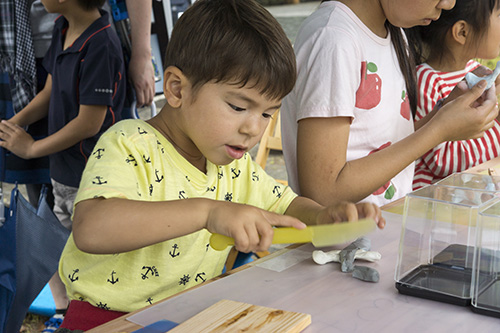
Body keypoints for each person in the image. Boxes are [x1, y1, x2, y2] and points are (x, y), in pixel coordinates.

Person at [53, 0, 385, 330]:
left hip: (192, 314)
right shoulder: (130, 143)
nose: (254, 128)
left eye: (267, 113)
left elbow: (285, 205)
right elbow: (91, 228)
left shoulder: (233, 165)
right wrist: (208, 213)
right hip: (107, 322)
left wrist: (324, 218)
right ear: (177, 89)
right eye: (239, 107)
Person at [280, 0, 500, 208]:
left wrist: (446, 110)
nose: (448, 4)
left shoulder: (395, 36)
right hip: (340, 246)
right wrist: (438, 130)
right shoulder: (334, 40)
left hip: (385, 236)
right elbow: (324, 193)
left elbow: (387, 145)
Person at [0, 0, 127, 330]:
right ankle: (72, 313)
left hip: (93, 178)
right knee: (66, 250)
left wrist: (32, 148)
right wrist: (13, 123)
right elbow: (50, 89)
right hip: (63, 174)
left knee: (99, 254)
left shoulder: (101, 43)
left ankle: (106, 318)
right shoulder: (63, 28)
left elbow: (89, 122)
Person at [410, 0, 500, 189]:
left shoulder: (478, 72)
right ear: (462, 32)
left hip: (467, 193)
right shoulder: (427, 80)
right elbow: (442, 161)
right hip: (433, 204)